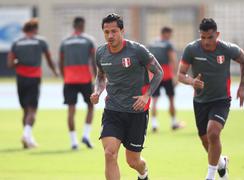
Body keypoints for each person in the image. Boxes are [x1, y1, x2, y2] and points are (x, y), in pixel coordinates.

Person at [90, 13, 163, 180]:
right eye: (106, 32)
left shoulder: (137, 51)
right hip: (113, 111)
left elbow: (158, 72)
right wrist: (97, 92)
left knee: (133, 161)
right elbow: (101, 75)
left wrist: (146, 96)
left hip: (137, 112)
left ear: (122, 31)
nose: (110, 36)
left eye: (114, 31)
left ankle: (143, 173)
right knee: (110, 154)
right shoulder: (100, 53)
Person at [177, 18, 244, 180]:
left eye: (210, 37)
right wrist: (191, 81)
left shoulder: (227, 49)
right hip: (200, 101)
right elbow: (180, 75)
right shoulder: (191, 49)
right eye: (203, 37)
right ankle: (222, 164)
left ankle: (210, 176)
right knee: (206, 141)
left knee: (213, 132)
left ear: (217, 34)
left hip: (221, 99)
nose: (206, 41)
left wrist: (242, 86)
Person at [7, 18, 58, 149]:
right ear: (35, 29)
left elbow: (10, 64)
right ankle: (26, 134)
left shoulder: (16, 42)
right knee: (32, 110)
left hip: (20, 79)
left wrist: (19, 62)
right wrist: (54, 71)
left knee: (25, 110)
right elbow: (49, 59)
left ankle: (28, 139)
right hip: (34, 78)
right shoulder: (41, 41)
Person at [59, 17, 96, 150]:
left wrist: (65, 77)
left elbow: (61, 62)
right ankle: (86, 135)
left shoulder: (65, 41)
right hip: (85, 79)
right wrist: (97, 77)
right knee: (91, 107)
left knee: (71, 111)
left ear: (73, 26)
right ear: (83, 26)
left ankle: (73, 141)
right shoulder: (88, 40)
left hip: (69, 80)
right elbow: (94, 60)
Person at [148, 26, 183, 132]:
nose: (171, 37)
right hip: (167, 74)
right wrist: (176, 76)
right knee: (171, 99)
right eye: (170, 34)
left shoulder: (152, 43)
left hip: (155, 74)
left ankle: (154, 124)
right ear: (166, 33)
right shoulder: (168, 44)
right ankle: (173, 122)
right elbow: (173, 60)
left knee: (154, 100)